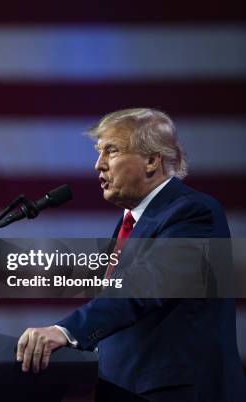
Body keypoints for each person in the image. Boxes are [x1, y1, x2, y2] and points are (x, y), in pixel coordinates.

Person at [15, 108, 245, 402]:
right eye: (99, 153)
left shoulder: (193, 213)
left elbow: (145, 286)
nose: (98, 165)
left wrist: (66, 331)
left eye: (111, 151)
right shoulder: (131, 223)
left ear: (151, 160)